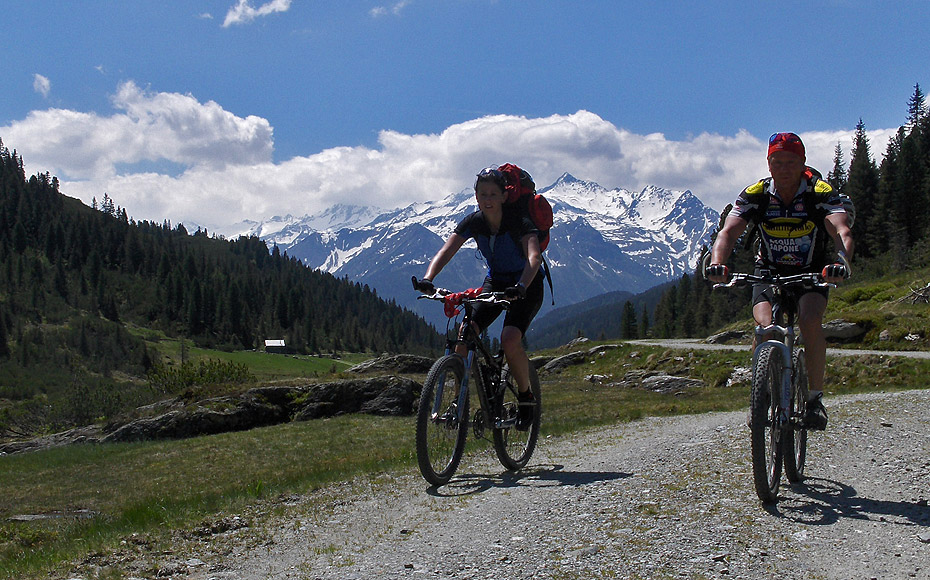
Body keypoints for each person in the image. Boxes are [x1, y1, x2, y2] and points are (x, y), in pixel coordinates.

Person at [706, 132, 855, 430]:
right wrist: (717, 263)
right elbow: (728, 232)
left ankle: (813, 399)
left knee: (810, 320)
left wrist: (841, 262)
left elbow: (841, 230)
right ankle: (761, 394)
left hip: (811, 271)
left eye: (791, 162)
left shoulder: (820, 192)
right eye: (777, 162)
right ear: (769, 163)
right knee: (764, 327)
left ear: (803, 163)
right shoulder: (756, 194)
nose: (784, 168)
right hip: (768, 271)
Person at [414, 166, 545, 429]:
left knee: (510, 339)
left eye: (493, 194)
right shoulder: (474, 222)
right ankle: (458, 402)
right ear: (475, 196)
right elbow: (446, 251)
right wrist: (428, 279)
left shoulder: (519, 221)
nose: (487, 199)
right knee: (466, 331)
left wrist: (521, 285)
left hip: (527, 284)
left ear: (504, 197)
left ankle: (525, 396)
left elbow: (534, 257)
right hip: (496, 281)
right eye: (482, 194)